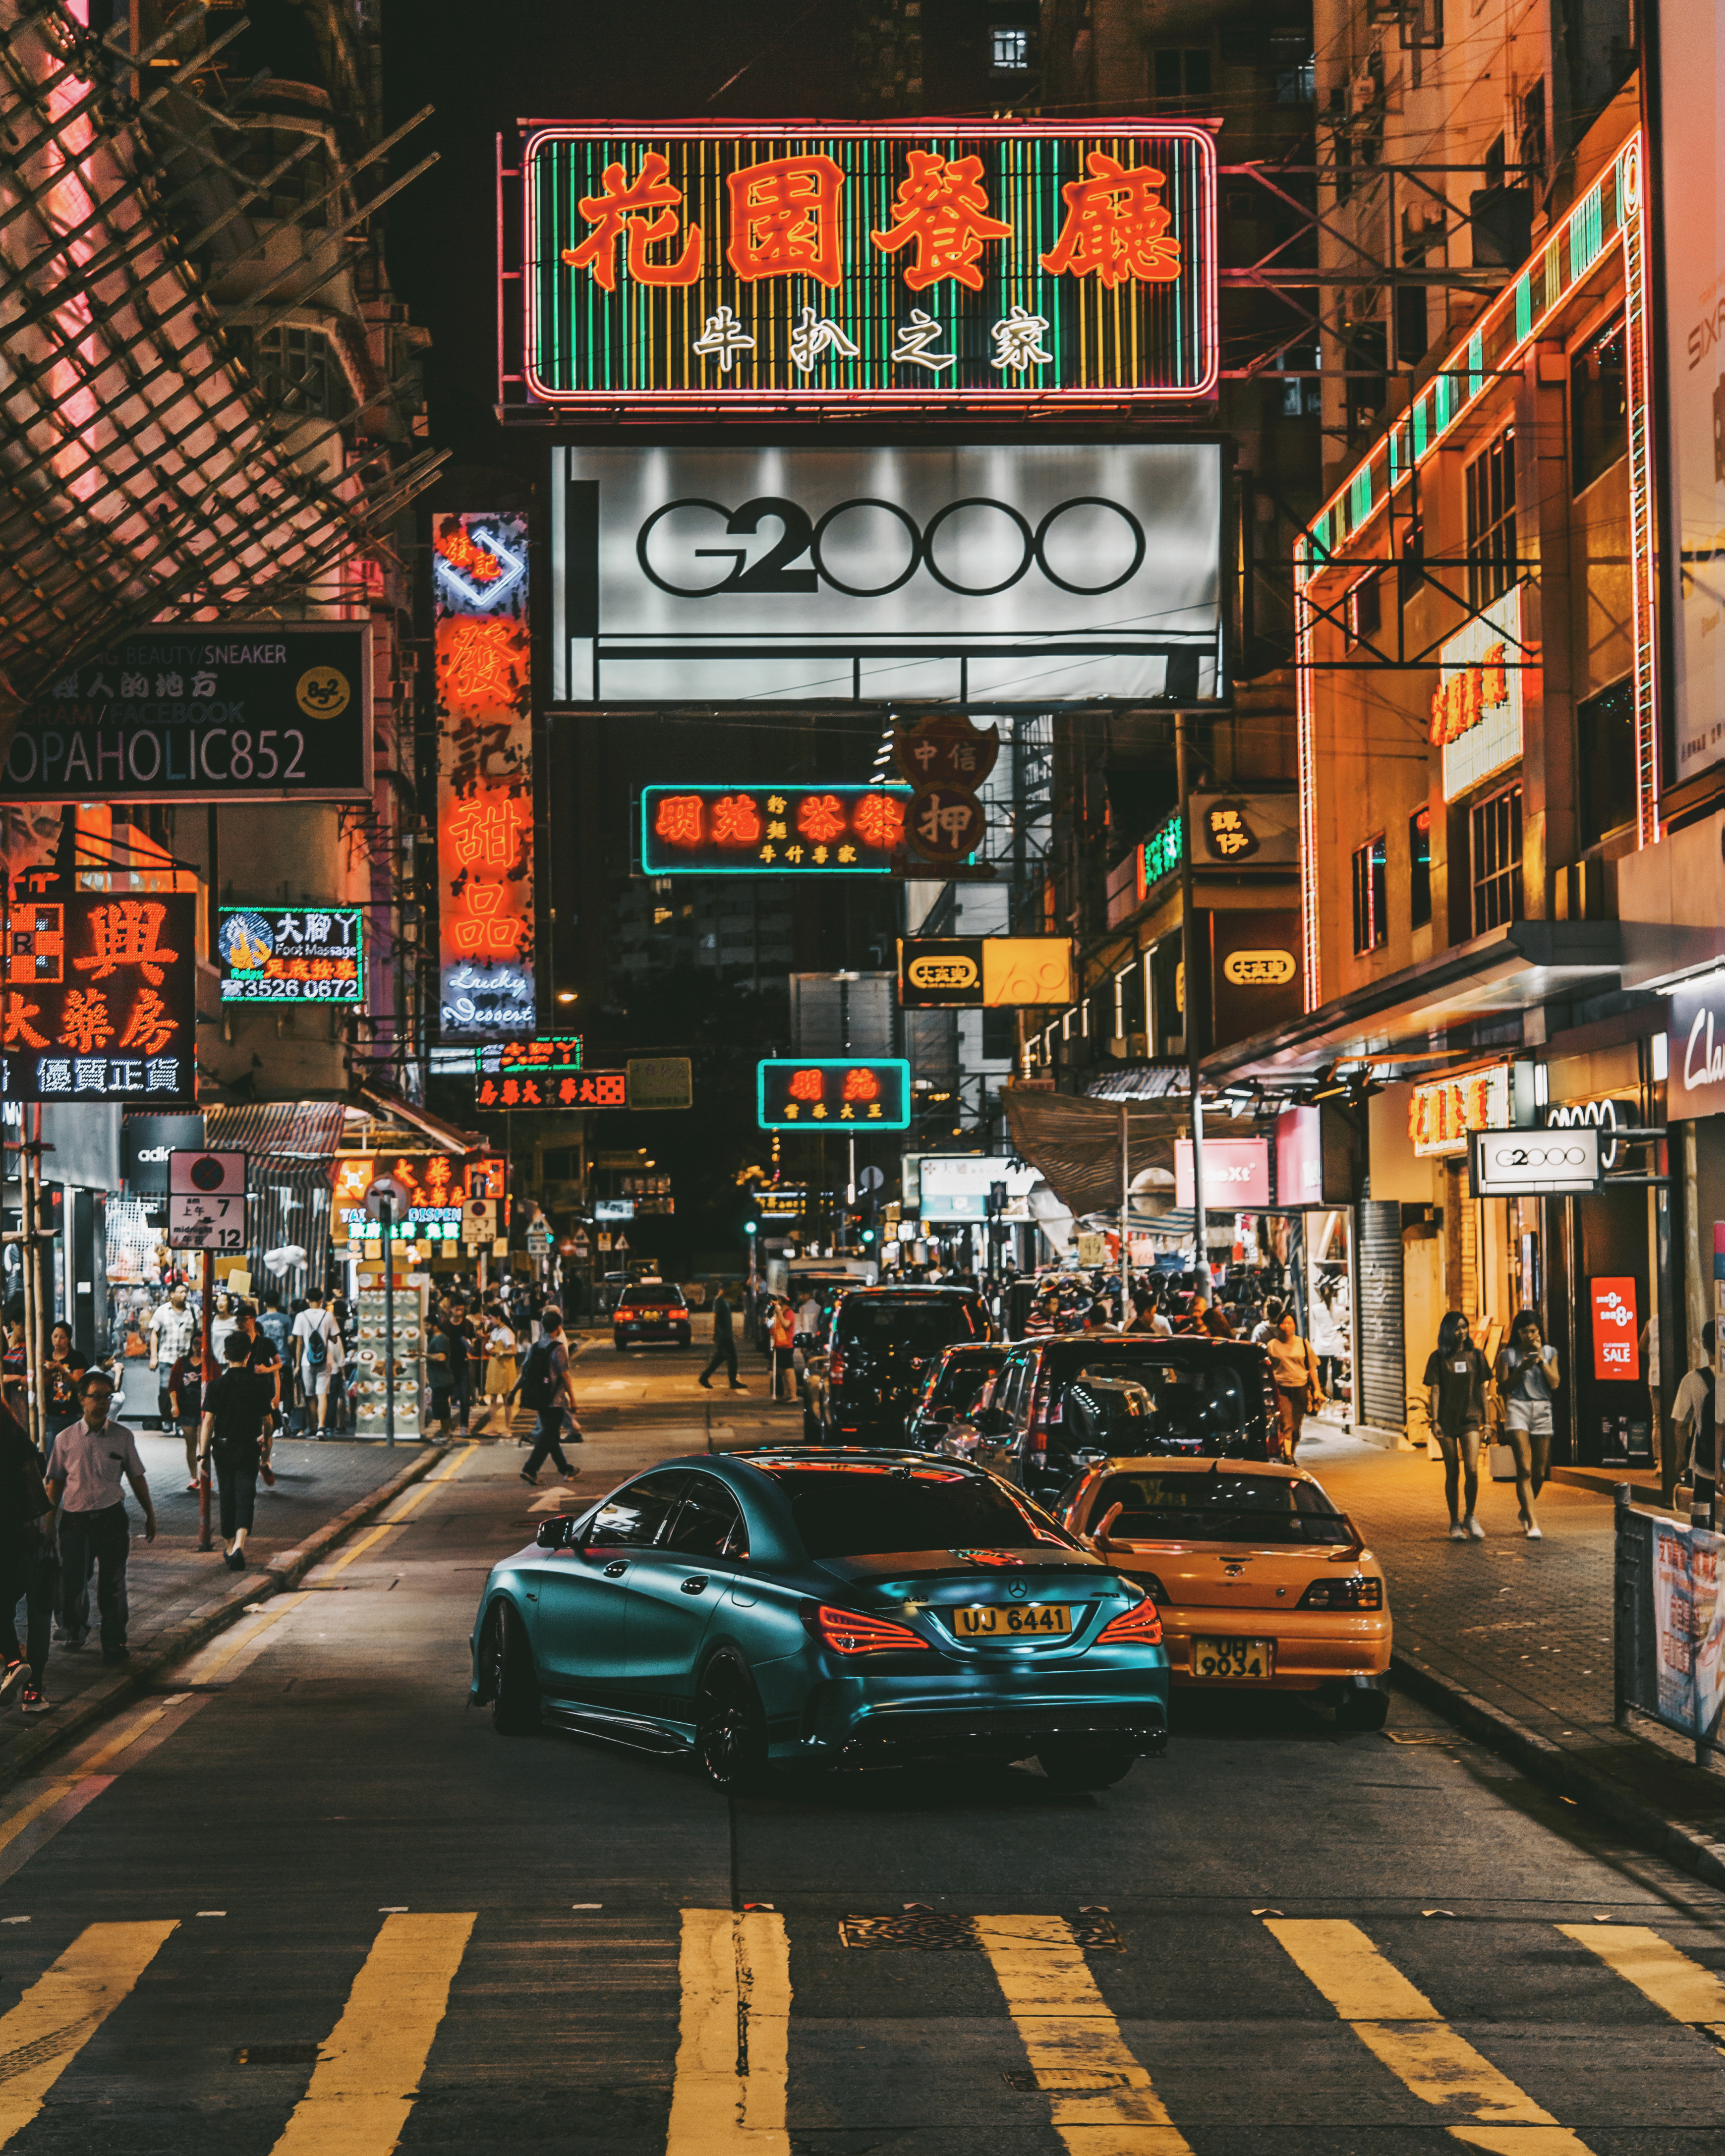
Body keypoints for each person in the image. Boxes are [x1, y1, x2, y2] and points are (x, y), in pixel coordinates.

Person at [44, 1369, 156, 1663]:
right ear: (82, 1400)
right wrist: (48, 1523)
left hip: (111, 1519)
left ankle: (114, 1642)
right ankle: (75, 1628)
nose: (103, 1402)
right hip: (75, 1521)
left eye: (107, 1396)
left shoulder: (122, 1437)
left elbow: (136, 1477)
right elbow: (55, 1482)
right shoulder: (65, 1440)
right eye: (96, 1397)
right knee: (73, 1580)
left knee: (114, 1583)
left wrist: (150, 1514)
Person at [198, 1332, 274, 1570]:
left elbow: (208, 1422)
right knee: (245, 1495)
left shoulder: (217, 1386)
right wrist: (266, 1449)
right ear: (249, 1355)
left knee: (227, 1496)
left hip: (222, 1447)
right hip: (248, 1447)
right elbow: (269, 1421)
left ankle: (230, 1545)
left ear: (225, 1355)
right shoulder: (258, 1384)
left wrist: (202, 1454)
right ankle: (240, 1544)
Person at [0, 1394, 56, 1714]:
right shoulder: (13, 1431)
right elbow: (37, 1480)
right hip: (19, 1537)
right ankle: (21, 1672)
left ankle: (14, 1661)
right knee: (8, 1607)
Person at [1423, 1310, 1493, 1542]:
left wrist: (1488, 1423)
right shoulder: (1438, 1358)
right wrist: (1434, 1421)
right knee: (1452, 1471)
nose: (1462, 1332)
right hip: (1446, 1421)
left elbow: (1483, 1389)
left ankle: (1470, 1517)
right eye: (1457, 1328)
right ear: (1447, 1331)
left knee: (1472, 1469)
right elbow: (1435, 1389)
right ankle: (1454, 1522)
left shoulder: (1477, 1356)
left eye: (1464, 1327)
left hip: (1471, 1419)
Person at [1495, 1309, 1561, 1540]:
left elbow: (1555, 1383)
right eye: (1524, 1332)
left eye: (1533, 1331)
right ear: (1517, 1333)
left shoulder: (1551, 1353)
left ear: (1539, 1331)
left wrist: (1541, 1360)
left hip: (1543, 1409)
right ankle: (1533, 1522)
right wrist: (1520, 1370)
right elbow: (1502, 1388)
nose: (1529, 1336)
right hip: (1518, 1409)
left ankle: (1525, 1509)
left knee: (1540, 1472)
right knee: (1524, 1468)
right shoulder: (1508, 1355)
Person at [510, 1307, 583, 1483]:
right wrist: (573, 1399)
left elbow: (524, 1373)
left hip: (540, 1399)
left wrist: (513, 1392)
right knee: (549, 1435)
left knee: (550, 1436)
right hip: (555, 1401)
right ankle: (530, 1470)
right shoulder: (559, 1349)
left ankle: (566, 1469)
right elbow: (565, 1376)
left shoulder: (535, 1347)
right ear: (558, 1328)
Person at [1670, 1322, 1716, 1522]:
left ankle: (1703, 1550)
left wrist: (1680, 1456)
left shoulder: (1692, 1379)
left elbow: (1681, 1424)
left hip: (1705, 1461)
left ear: (1705, 1345)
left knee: (1702, 1518)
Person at [1266, 1311, 1323, 1461]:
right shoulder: (1272, 1346)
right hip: (1282, 1389)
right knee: (1287, 1423)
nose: (1287, 1326)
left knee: (1296, 1426)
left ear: (1295, 1326)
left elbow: (1312, 1369)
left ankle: (1291, 1453)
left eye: (1290, 1323)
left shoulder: (1303, 1344)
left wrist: (1317, 1389)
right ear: (1279, 1326)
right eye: (1284, 1323)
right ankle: (1288, 1457)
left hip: (1301, 1388)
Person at [147, 1283, 196, 1436]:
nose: (184, 1294)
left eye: (185, 1292)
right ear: (172, 1294)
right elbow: (154, 1333)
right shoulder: (162, 1311)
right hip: (167, 1358)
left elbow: (199, 1334)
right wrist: (154, 1356)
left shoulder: (194, 1312)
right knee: (166, 1390)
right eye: (180, 1292)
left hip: (185, 1360)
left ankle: (180, 1424)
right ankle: (167, 1418)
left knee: (184, 1391)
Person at [291, 1287, 339, 1435]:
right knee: (322, 1394)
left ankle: (312, 1427)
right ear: (321, 1300)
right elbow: (335, 1339)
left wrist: (298, 1364)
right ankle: (321, 1428)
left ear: (307, 1300)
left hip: (307, 1361)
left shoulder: (301, 1316)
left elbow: (299, 1343)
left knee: (310, 1395)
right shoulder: (328, 1316)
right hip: (326, 1360)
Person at [167, 1349, 203, 1492]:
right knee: (191, 1444)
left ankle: (205, 1476)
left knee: (204, 1445)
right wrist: (174, 1405)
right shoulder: (182, 1363)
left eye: (201, 1343)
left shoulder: (210, 1363)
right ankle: (194, 1477)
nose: (198, 1346)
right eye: (195, 1342)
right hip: (187, 1409)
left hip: (203, 1411)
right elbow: (173, 1386)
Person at [42, 1323, 86, 1442]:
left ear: (69, 1339)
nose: (58, 1340)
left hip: (74, 1413)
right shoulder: (46, 1358)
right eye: (55, 1336)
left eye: (62, 1337)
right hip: (52, 1415)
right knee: (52, 1451)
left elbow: (78, 1384)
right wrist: (46, 1372)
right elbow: (44, 1385)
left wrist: (63, 1370)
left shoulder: (77, 1357)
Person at [698, 1284, 745, 1391]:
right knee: (731, 1358)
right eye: (727, 1288)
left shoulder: (724, 1301)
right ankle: (731, 1381)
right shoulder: (718, 1301)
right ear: (722, 1289)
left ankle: (705, 1377)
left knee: (722, 1358)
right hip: (723, 1335)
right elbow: (715, 1317)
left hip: (726, 1335)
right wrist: (714, 1334)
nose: (728, 1290)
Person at [481, 1304, 518, 1430]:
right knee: (492, 1398)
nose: (490, 1321)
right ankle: (493, 1427)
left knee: (506, 1399)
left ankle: (507, 1428)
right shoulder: (495, 1331)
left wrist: (501, 1352)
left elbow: (514, 1351)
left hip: (505, 1369)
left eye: (491, 1319)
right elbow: (491, 1346)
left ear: (499, 1317)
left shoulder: (507, 1332)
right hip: (494, 1367)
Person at [769, 1295, 797, 1400]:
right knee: (779, 1370)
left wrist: (779, 1313)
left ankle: (794, 1396)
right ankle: (785, 1394)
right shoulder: (781, 1313)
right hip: (779, 1345)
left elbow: (786, 1324)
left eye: (779, 1300)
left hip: (786, 1345)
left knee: (789, 1370)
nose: (777, 1302)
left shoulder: (789, 1312)